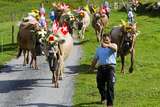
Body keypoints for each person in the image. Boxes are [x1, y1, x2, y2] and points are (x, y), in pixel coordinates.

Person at [90, 33, 117, 107]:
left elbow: (115, 49)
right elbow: (95, 59)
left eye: (107, 40)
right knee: (100, 85)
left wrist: (107, 45)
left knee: (110, 86)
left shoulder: (114, 45)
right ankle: (104, 97)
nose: (105, 41)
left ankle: (110, 104)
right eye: (104, 40)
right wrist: (92, 67)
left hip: (110, 68)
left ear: (110, 39)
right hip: (101, 68)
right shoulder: (98, 49)